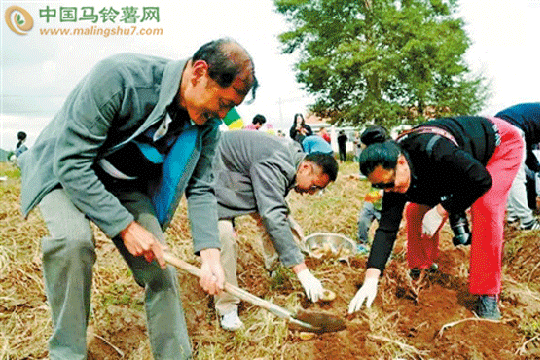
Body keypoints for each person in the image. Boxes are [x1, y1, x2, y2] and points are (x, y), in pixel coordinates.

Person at [18, 38, 258, 359]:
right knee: (72, 245)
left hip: (124, 182)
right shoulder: (122, 78)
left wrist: (211, 255)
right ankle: (68, 353)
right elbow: (71, 161)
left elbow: (201, 186)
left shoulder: (208, 121)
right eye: (223, 102)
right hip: (67, 169)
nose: (223, 114)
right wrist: (125, 227)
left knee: (160, 268)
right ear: (199, 72)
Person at [347, 116, 523, 320]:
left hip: (499, 144)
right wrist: (371, 278)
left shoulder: (435, 151)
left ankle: (487, 293)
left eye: (390, 183)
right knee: (415, 211)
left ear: (401, 162)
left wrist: (443, 209)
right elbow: (387, 228)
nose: (389, 190)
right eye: (380, 186)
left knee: (486, 206)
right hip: (456, 163)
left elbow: (481, 179)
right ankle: (421, 268)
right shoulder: (391, 177)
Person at [212, 130, 339, 330]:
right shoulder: (275, 163)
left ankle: (276, 268)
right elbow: (272, 214)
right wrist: (302, 271)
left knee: (284, 222)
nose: (311, 193)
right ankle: (227, 307)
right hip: (214, 176)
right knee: (224, 236)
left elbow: (276, 211)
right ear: (305, 168)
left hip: (241, 177)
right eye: (313, 186)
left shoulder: (294, 159)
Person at [494, 103, 540, 230]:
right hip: (511, 127)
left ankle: (513, 216)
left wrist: (536, 167)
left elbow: (528, 152)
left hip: (496, 126)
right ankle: (527, 222)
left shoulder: (532, 118)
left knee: (510, 175)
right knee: (517, 176)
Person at [356, 126, 388, 254]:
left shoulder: (388, 156)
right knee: (363, 218)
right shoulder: (372, 157)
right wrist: (358, 177)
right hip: (374, 193)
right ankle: (362, 243)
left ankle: (386, 252)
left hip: (387, 197)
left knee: (384, 227)